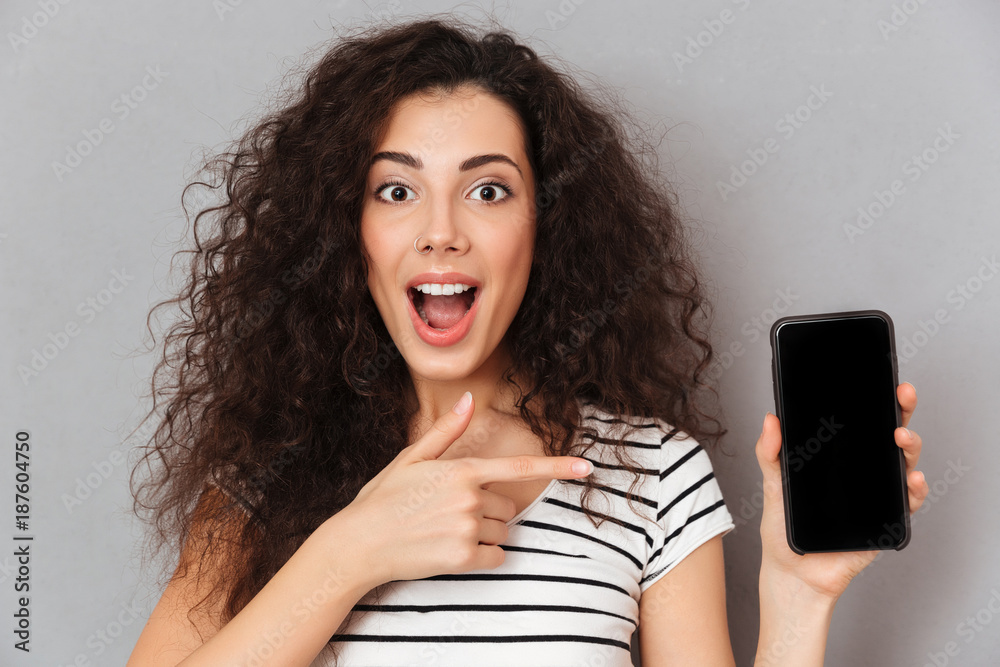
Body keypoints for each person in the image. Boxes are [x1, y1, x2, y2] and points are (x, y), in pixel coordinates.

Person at [126, 14, 929, 667]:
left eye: (487, 189)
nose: (441, 232)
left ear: (547, 227)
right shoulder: (268, 470)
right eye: (397, 189)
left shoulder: (653, 474)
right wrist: (346, 553)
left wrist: (799, 593)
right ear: (348, 228)